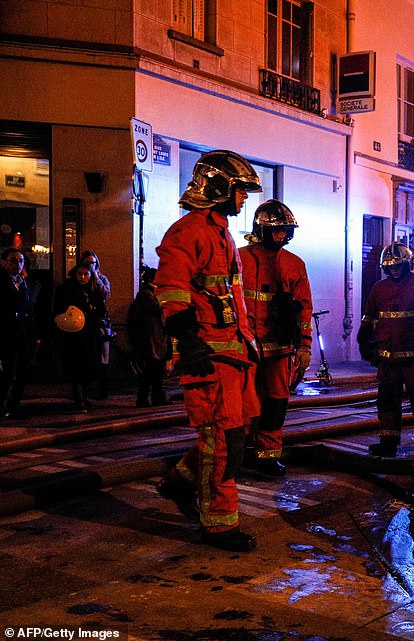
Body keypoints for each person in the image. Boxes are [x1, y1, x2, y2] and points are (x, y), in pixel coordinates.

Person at [153, 149, 262, 552]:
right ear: (219, 188)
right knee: (223, 444)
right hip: (209, 360)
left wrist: (251, 348)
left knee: (236, 438)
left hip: (233, 358)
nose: (244, 200)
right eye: (240, 191)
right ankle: (218, 527)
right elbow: (171, 290)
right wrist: (189, 341)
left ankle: (181, 483)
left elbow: (229, 299)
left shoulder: (220, 231)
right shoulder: (189, 232)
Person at [239, 199, 313, 478]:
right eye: (276, 230)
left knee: (276, 401)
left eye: (285, 230)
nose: (281, 235)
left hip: (280, 348)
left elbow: (304, 308)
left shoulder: (295, 264)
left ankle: (268, 455)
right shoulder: (240, 257)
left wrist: (305, 346)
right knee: (246, 403)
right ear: (261, 230)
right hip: (246, 347)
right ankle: (242, 449)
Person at [357, 242, 414, 457]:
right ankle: (388, 441)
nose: (394, 270)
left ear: (407, 264)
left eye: (398, 265)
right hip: (387, 357)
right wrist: (365, 336)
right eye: (390, 266)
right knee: (387, 398)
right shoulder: (379, 289)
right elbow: (370, 316)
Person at [53, 263, 107, 412]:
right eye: (80, 274)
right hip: (74, 336)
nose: (83, 277)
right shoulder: (66, 290)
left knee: (90, 367)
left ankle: (84, 395)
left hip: (90, 334)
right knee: (77, 367)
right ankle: (79, 398)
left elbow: (101, 309)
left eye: (86, 274)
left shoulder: (93, 291)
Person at [0, 248, 39, 419]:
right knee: (8, 372)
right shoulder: (2, 282)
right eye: (13, 261)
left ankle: (13, 403)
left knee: (24, 371)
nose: (18, 264)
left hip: (25, 333)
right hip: (7, 332)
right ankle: (3, 403)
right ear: (4, 262)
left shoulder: (27, 283)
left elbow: (31, 306)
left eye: (21, 261)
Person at [126, 266, 170, 408]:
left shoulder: (150, 294)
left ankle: (156, 397)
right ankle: (143, 399)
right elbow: (158, 308)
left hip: (157, 339)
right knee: (150, 372)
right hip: (150, 340)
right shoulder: (145, 295)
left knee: (157, 371)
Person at [79, 249, 112, 400]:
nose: (91, 266)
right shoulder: (80, 276)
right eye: (88, 263)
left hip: (100, 322)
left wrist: (97, 278)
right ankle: (84, 390)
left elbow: (106, 294)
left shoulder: (102, 278)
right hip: (84, 322)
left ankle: (103, 389)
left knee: (103, 357)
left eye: (93, 263)